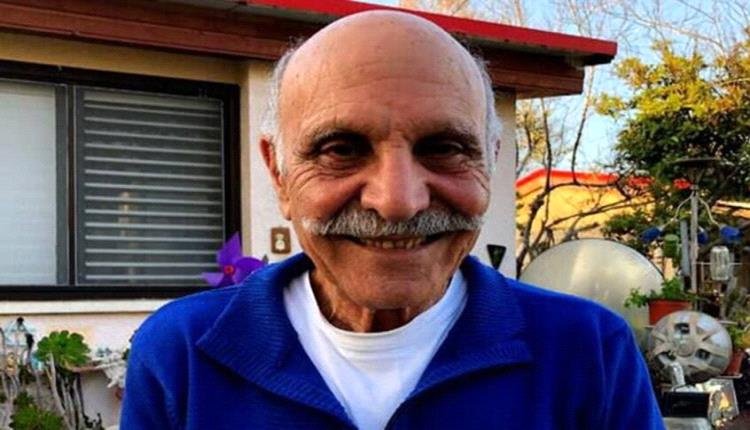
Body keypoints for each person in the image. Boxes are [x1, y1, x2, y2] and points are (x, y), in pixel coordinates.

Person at [121, 10, 664, 430]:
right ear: (279, 173)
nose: (398, 201)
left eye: (445, 148)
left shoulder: (588, 352)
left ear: (491, 162)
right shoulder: (183, 353)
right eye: (340, 149)